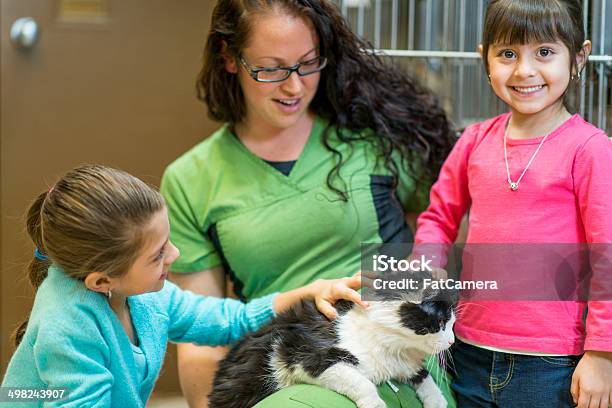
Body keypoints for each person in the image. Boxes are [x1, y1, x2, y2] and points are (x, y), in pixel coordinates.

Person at [160, 0, 456, 406]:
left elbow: (443, 227)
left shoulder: (373, 142)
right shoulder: (191, 179)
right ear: (229, 58)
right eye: (272, 68)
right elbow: (203, 337)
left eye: (308, 63)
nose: (294, 86)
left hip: (399, 356)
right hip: (287, 363)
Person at [1, 165, 368, 407]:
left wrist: (307, 293)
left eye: (169, 241)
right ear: (102, 281)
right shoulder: (67, 328)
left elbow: (228, 320)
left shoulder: (144, 297)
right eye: (157, 255)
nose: (175, 255)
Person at [414, 0, 612, 407]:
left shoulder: (590, 150)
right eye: (507, 53)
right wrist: (424, 264)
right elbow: (437, 216)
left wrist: (602, 354)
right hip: (462, 348)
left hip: (553, 364)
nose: (524, 71)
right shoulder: (474, 141)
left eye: (544, 52)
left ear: (579, 58)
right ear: (483, 58)